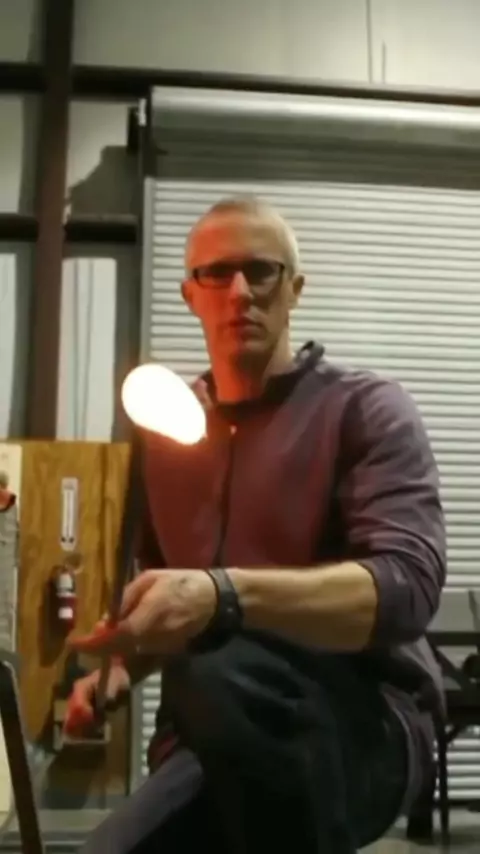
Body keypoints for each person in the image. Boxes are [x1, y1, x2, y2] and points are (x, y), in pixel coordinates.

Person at [68, 195, 446, 853]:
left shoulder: (364, 409)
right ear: (190, 294)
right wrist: (123, 668)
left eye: (261, 271)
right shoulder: (167, 434)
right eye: (217, 273)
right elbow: (175, 600)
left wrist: (224, 596)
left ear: (294, 289)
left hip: (362, 726)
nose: (240, 292)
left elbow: (406, 590)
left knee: (219, 662)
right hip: (209, 731)